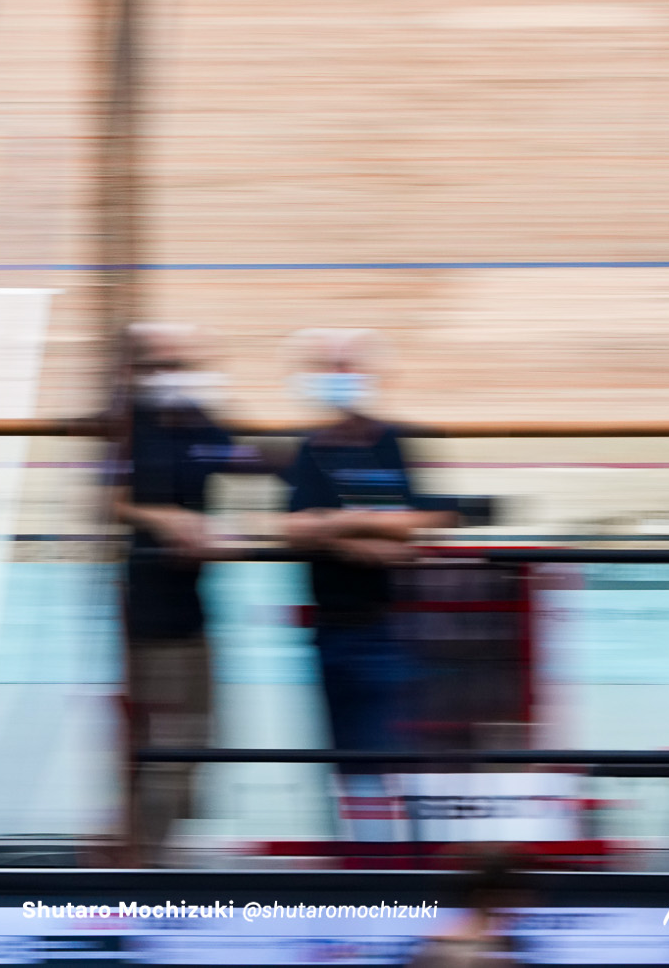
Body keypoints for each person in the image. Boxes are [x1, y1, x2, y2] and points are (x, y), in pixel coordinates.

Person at [280, 329, 456, 833]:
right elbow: (291, 528)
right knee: (345, 760)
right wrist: (356, 535)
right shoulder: (308, 448)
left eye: (346, 365)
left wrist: (330, 525)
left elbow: (420, 522)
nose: (338, 377)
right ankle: (365, 867)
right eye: (328, 366)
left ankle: (394, 868)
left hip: (388, 627)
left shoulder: (394, 442)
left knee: (387, 755)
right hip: (330, 628)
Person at [112, 322, 262, 866]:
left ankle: (158, 849)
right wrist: (168, 519)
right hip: (143, 612)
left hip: (191, 609)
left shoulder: (197, 421)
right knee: (152, 744)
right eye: (159, 367)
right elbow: (113, 499)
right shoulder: (128, 427)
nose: (171, 377)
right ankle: (145, 859)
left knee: (195, 737)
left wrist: (224, 530)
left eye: (179, 366)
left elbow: (240, 460)